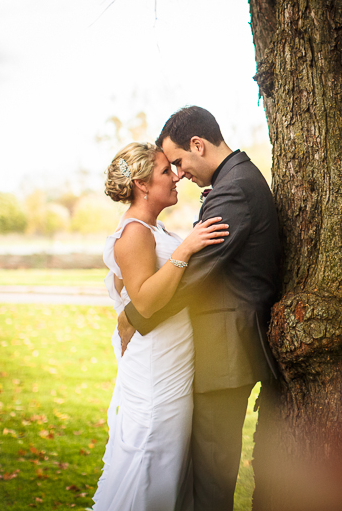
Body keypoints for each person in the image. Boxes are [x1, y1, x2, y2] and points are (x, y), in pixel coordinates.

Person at [118, 106, 281, 511]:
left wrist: (135, 316)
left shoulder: (234, 190)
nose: (179, 173)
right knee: (201, 474)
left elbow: (196, 273)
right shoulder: (235, 181)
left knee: (210, 479)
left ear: (198, 144)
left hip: (224, 355)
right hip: (218, 352)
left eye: (177, 162)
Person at [92, 141, 230, 511]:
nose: (176, 177)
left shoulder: (155, 229)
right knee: (150, 464)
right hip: (155, 371)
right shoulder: (134, 233)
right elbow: (146, 302)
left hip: (173, 365)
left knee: (169, 471)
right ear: (141, 184)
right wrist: (186, 250)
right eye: (166, 171)